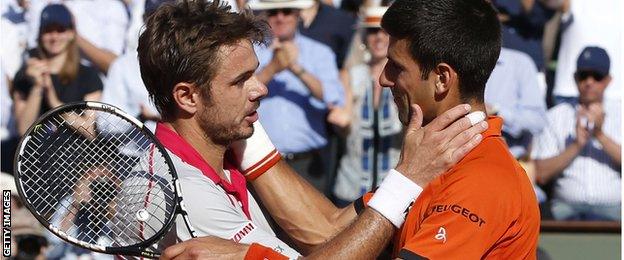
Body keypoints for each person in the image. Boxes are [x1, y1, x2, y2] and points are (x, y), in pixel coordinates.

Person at [160, 0, 540, 259]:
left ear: (441, 79)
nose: (384, 79)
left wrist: (249, 256)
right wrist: (237, 121)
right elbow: (327, 232)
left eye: (396, 67)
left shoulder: (481, 179)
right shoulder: (431, 162)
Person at [249, 0, 346, 193]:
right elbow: (241, 94)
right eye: (273, 12)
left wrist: (296, 68)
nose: (280, 17)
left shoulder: (320, 52)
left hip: (309, 162)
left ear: (297, 14)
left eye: (286, 11)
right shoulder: (251, 51)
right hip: (261, 161)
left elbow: (332, 97)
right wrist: (273, 68)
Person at [532, 46, 621, 221]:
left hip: (615, 208)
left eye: (597, 76)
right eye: (583, 76)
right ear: (575, 78)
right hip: (565, 208)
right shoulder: (555, 116)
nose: (589, 82)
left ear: (608, 80)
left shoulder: (620, 114)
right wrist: (576, 145)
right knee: (536, 215)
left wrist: (600, 135)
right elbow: (541, 174)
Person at [330, 6, 403, 206]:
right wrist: (341, 119)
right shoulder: (350, 76)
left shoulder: (405, 77)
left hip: (393, 191)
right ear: (364, 37)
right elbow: (342, 123)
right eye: (372, 31)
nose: (378, 37)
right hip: (351, 187)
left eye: (384, 31)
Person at [12, 3, 103, 136]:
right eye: (48, 30)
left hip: (76, 155)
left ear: (72, 34)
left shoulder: (89, 76)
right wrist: (37, 87)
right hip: (34, 156)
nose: (54, 37)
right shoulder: (24, 76)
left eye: (61, 30)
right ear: (40, 35)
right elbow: (23, 130)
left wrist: (54, 101)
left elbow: (89, 131)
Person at [484, 47, 547, 158]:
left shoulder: (520, 63)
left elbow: (538, 121)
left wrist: (497, 112)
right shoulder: (456, 60)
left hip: (510, 159)